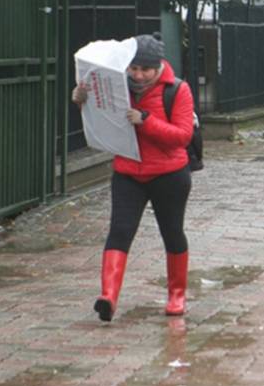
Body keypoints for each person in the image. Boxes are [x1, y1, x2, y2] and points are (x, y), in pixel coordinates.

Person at [71, 34, 195, 322]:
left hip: (169, 174)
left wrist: (147, 121)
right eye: (133, 68)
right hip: (128, 172)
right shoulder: (115, 85)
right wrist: (81, 101)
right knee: (120, 231)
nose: (138, 75)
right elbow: (101, 117)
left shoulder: (177, 90)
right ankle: (108, 297)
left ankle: (177, 294)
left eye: (145, 70)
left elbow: (182, 136)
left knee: (172, 232)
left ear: (158, 67)